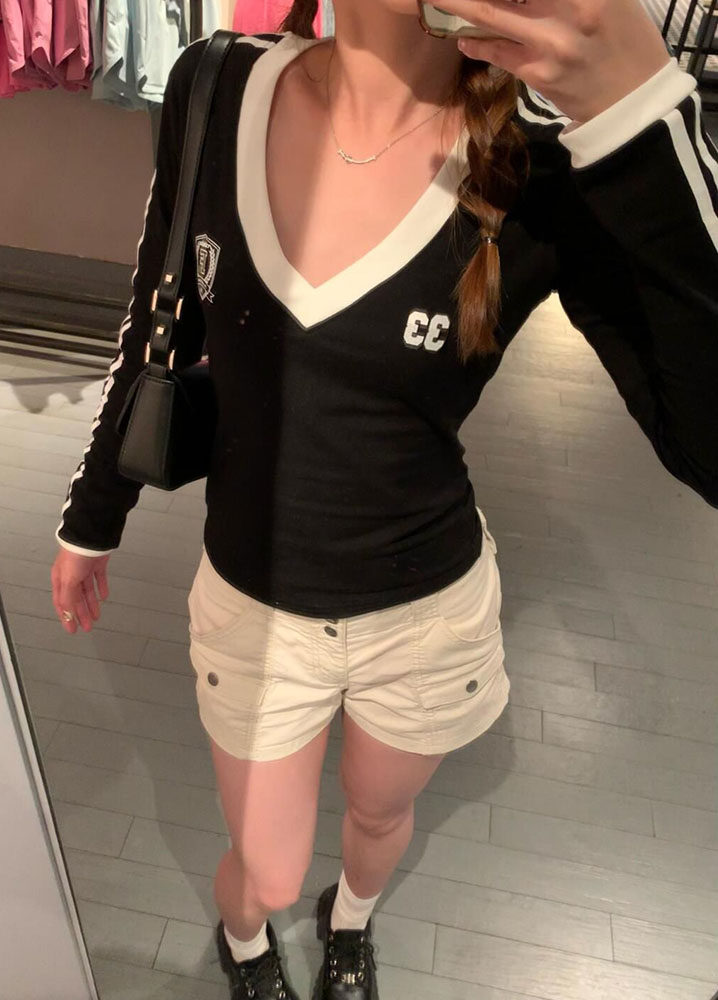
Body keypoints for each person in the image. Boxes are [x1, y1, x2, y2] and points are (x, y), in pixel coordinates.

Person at [50, 1, 718, 997]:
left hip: (424, 615)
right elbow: (157, 311)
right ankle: (246, 942)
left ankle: (351, 926)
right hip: (253, 598)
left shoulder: (540, 159)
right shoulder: (217, 84)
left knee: (378, 817)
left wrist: (641, 111)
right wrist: (91, 517)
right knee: (266, 869)